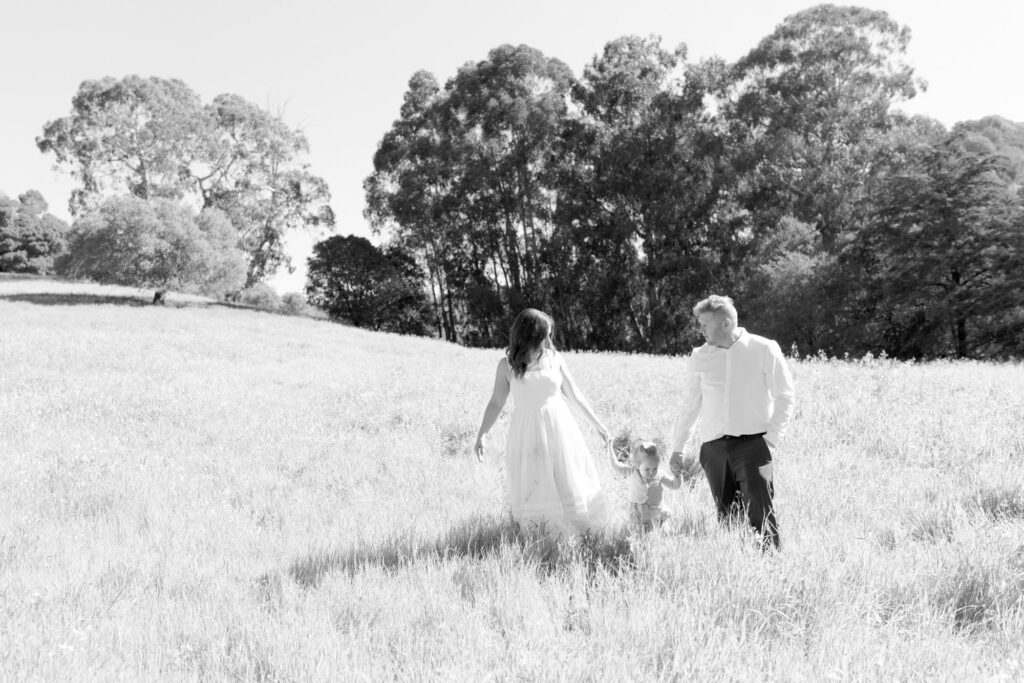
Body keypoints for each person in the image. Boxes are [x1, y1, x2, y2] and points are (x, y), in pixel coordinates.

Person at [669, 295, 795, 550]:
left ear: (726, 324)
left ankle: (772, 568)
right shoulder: (698, 357)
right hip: (714, 449)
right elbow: (690, 406)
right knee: (727, 518)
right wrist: (678, 448)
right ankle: (739, 567)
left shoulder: (764, 349)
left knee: (762, 512)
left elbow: (785, 396)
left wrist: (770, 441)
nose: (700, 329)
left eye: (705, 324)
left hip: (755, 446)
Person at [474, 309, 610, 535]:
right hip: (527, 433)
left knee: (566, 479)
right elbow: (496, 402)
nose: (549, 341)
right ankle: (542, 534)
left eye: (550, 335)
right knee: (535, 483)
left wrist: (598, 426)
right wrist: (482, 434)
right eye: (545, 335)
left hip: (560, 429)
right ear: (529, 336)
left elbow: (574, 395)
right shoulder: (506, 365)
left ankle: (578, 533)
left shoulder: (555, 359)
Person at [608, 440, 681, 533]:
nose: (652, 472)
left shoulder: (660, 474)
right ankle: (644, 540)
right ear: (638, 466)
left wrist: (677, 475)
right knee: (642, 532)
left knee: (665, 530)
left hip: (657, 509)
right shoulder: (631, 472)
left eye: (655, 468)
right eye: (647, 469)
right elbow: (616, 466)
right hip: (639, 511)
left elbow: (674, 485)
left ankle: (666, 535)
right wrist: (610, 447)